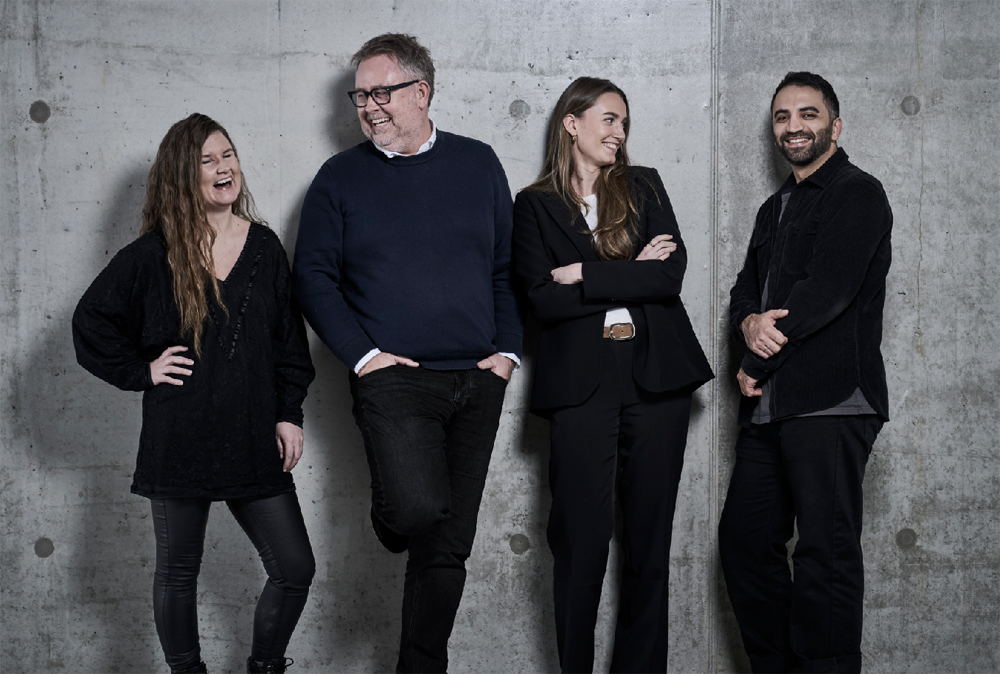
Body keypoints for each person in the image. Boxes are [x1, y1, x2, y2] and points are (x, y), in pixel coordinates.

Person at [292, 34, 522, 672]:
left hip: (478, 377)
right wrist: (365, 357)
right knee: (417, 510)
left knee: (447, 549)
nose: (368, 107)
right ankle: (393, 514)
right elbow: (312, 277)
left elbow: (506, 268)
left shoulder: (478, 163)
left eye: (381, 93)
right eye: (360, 95)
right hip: (392, 377)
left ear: (421, 92)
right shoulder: (340, 178)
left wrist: (507, 352)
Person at [73, 113, 316, 674]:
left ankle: (265, 667)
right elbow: (90, 322)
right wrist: (142, 370)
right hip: (179, 436)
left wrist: (288, 414)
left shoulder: (264, 248)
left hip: (253, 437)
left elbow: (289, 343)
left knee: (294, 568)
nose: (223, 168)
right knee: (178, 574)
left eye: (227, 155)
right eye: (207, 160)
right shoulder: (153, 253)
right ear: (183, 175)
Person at [511, 77, 713, 673]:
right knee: (579, 543)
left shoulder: (643, 185)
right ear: (572, 123)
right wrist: (629, 270)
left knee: (650, 545)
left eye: (624, 122)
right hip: (581, 387)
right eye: (609, 119)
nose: (619, 132)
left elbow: (668, 276)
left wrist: (583, 273)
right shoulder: (534, 204)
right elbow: (541, 300)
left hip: (656, 381)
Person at [718, 72, 892, 673]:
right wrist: (747, 324)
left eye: (808, 114)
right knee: (745, 545)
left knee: (826, 554)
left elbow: (827, 291)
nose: (794, 126)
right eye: (782, 116)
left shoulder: (857, 192)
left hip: (832, 400)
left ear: (835, 126)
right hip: (769, 407)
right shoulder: (774, 208)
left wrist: (754, 358)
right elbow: (745, 292)